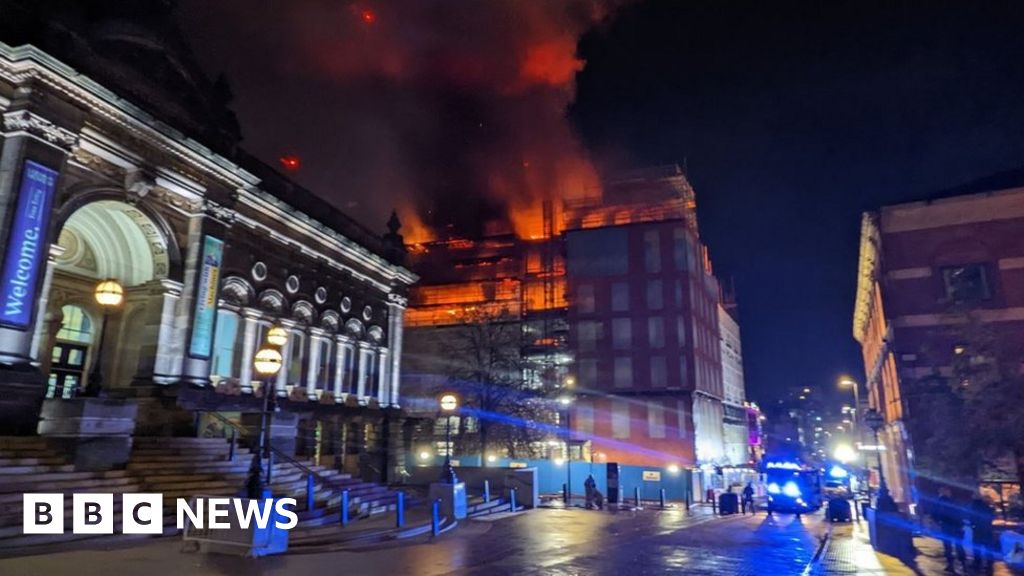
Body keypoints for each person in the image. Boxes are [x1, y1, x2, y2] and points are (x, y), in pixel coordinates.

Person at [933, 488, 968, 571]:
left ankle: (951, 565)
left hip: (947, 526)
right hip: (955, 526)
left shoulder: (941, 501)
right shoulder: (955, 501)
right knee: (958, 546)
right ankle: (963, 565)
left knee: (948, 546)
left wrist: (938, 521)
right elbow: (961, 513)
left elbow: (936, 513)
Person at [969, 493, 996, 573]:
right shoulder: (988, 507)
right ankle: (989, 564)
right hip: (987, 530)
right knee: (988, 547)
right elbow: (991, 517)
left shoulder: (975, 506)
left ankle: (978, 563)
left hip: (978, 530)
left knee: (977, 547)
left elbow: (972, 516)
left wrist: (973, 525)